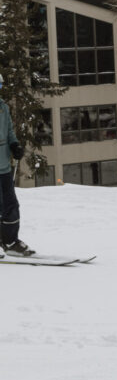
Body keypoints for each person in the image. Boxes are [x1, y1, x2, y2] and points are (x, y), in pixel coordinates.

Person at [0, 73, 34, 256]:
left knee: (11, 206)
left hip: (4, 167)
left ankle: (10, 242)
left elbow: (9, 132)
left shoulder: (3, 108)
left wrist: (14, 145)